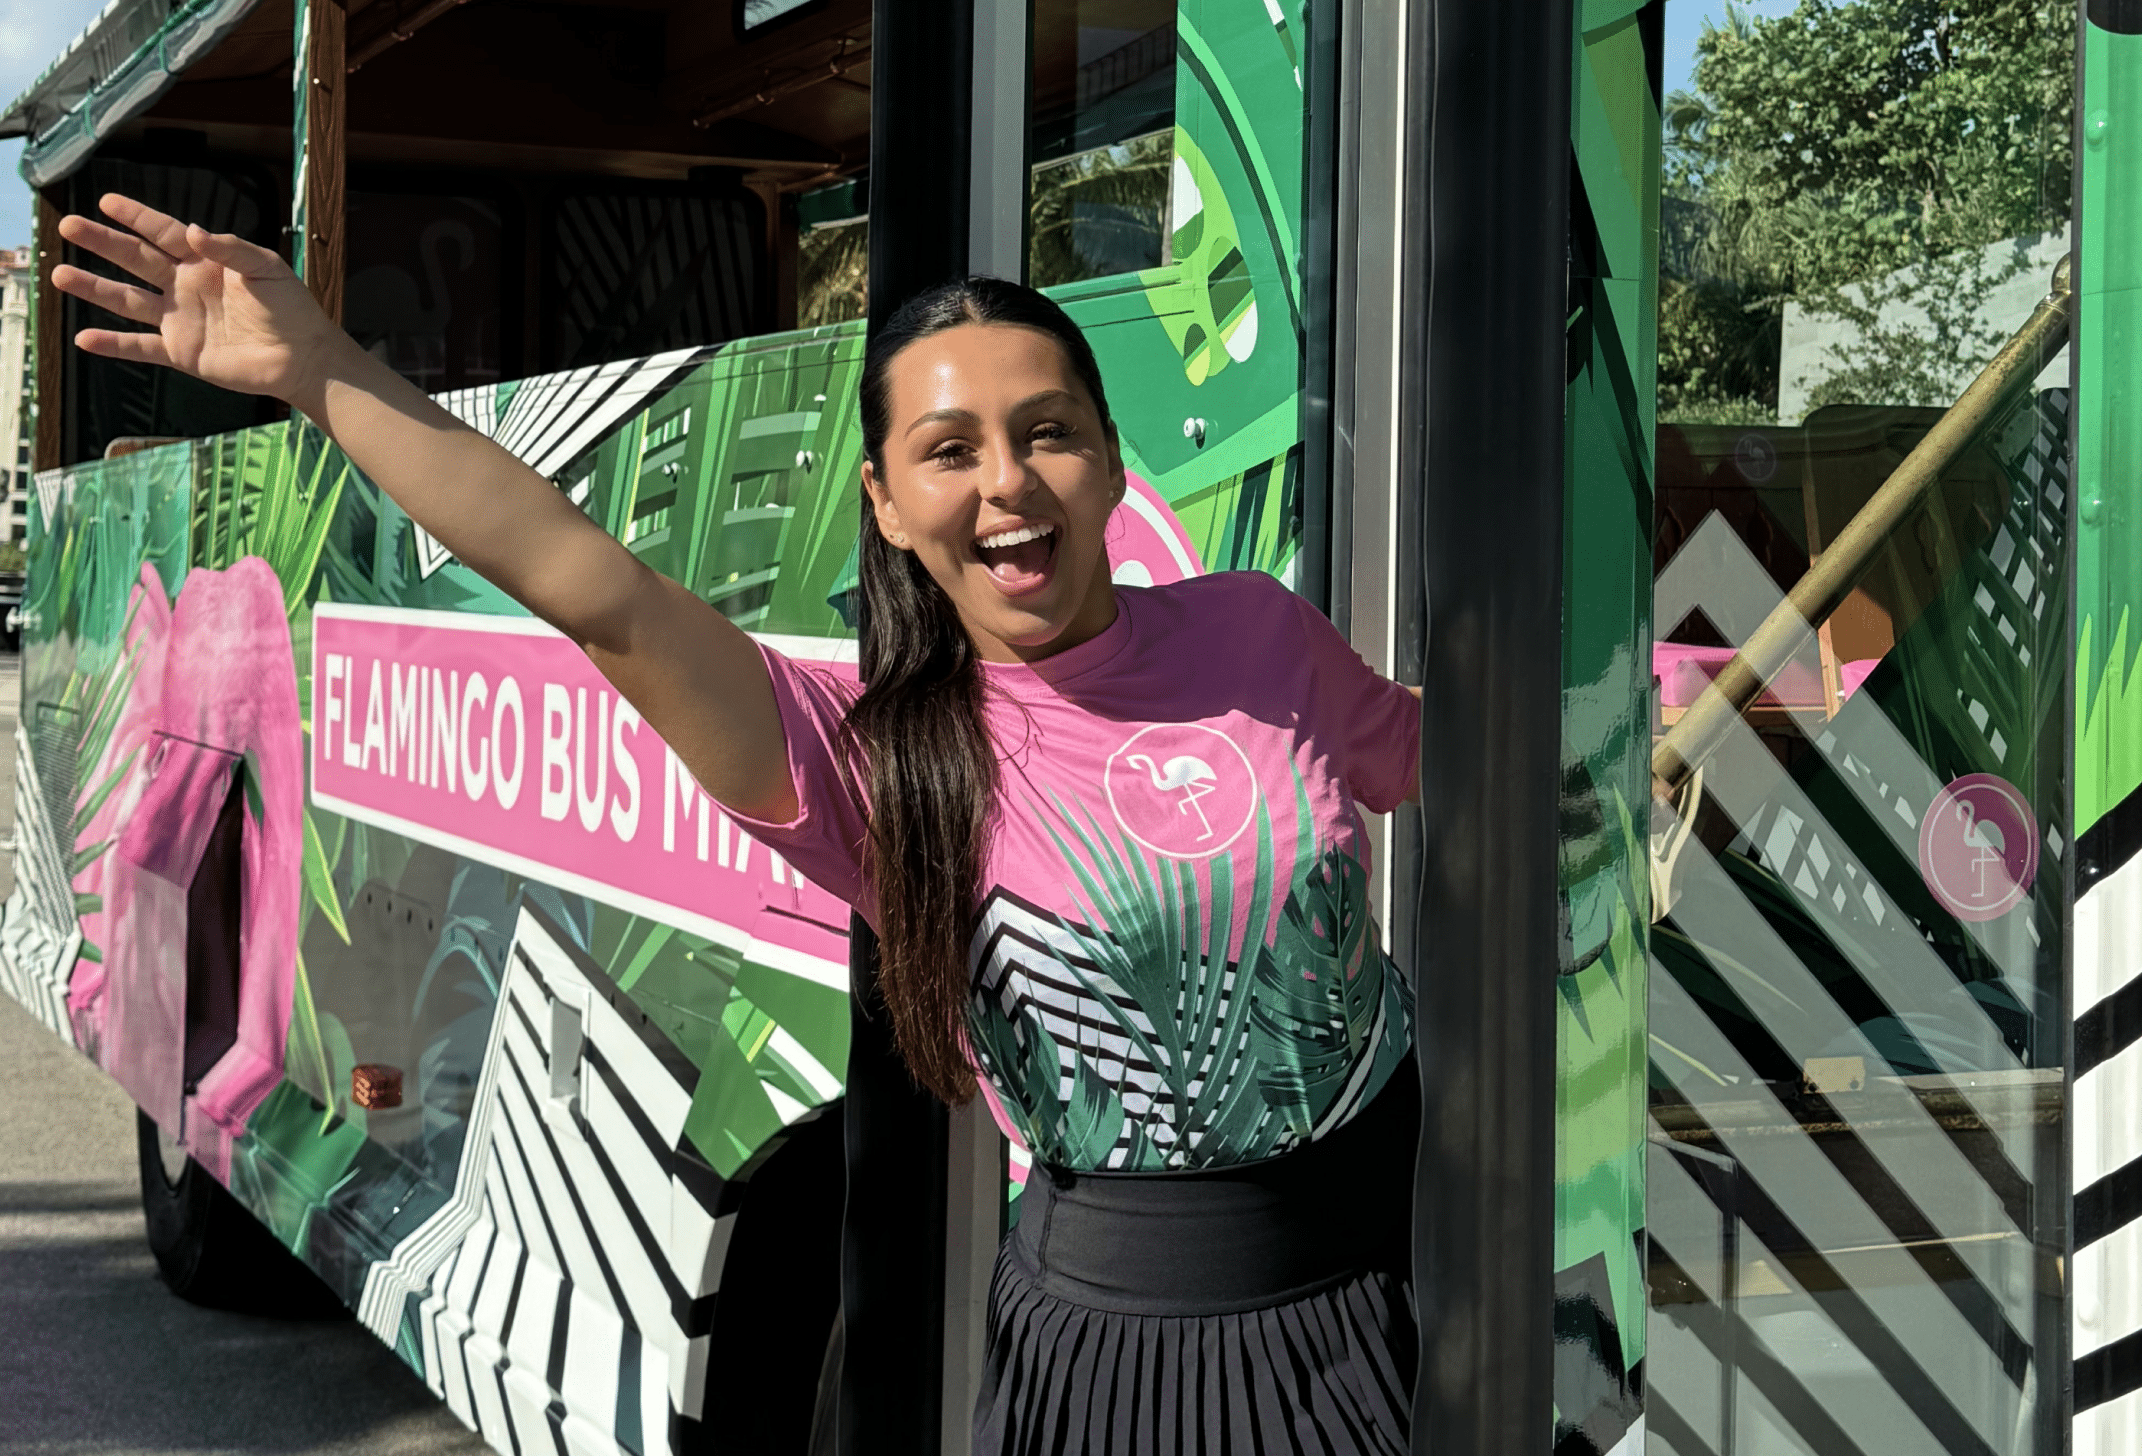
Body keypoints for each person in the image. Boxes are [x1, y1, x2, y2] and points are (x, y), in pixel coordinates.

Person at [53, 193, 1425, 1455]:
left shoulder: (1261, 632)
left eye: (1046, 430)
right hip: (1131, 1360)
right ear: (884, 505)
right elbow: (596, 589)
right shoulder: (874, 754)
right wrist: (322, 371)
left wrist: (1639, 690)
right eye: (948, 451)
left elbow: (1437, 751)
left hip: (1395, 1282)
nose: (1006, 481)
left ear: (1112, 461)